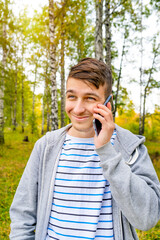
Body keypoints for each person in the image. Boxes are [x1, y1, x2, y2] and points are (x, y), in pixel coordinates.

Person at [10, 58, 160, 240]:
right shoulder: (46, 146)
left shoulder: (129, 147)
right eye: (72, 96)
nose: (78, 109)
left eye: (90, 98)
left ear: (108, 104)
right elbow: (22, 215)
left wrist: (106, 152)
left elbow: (147, 218)